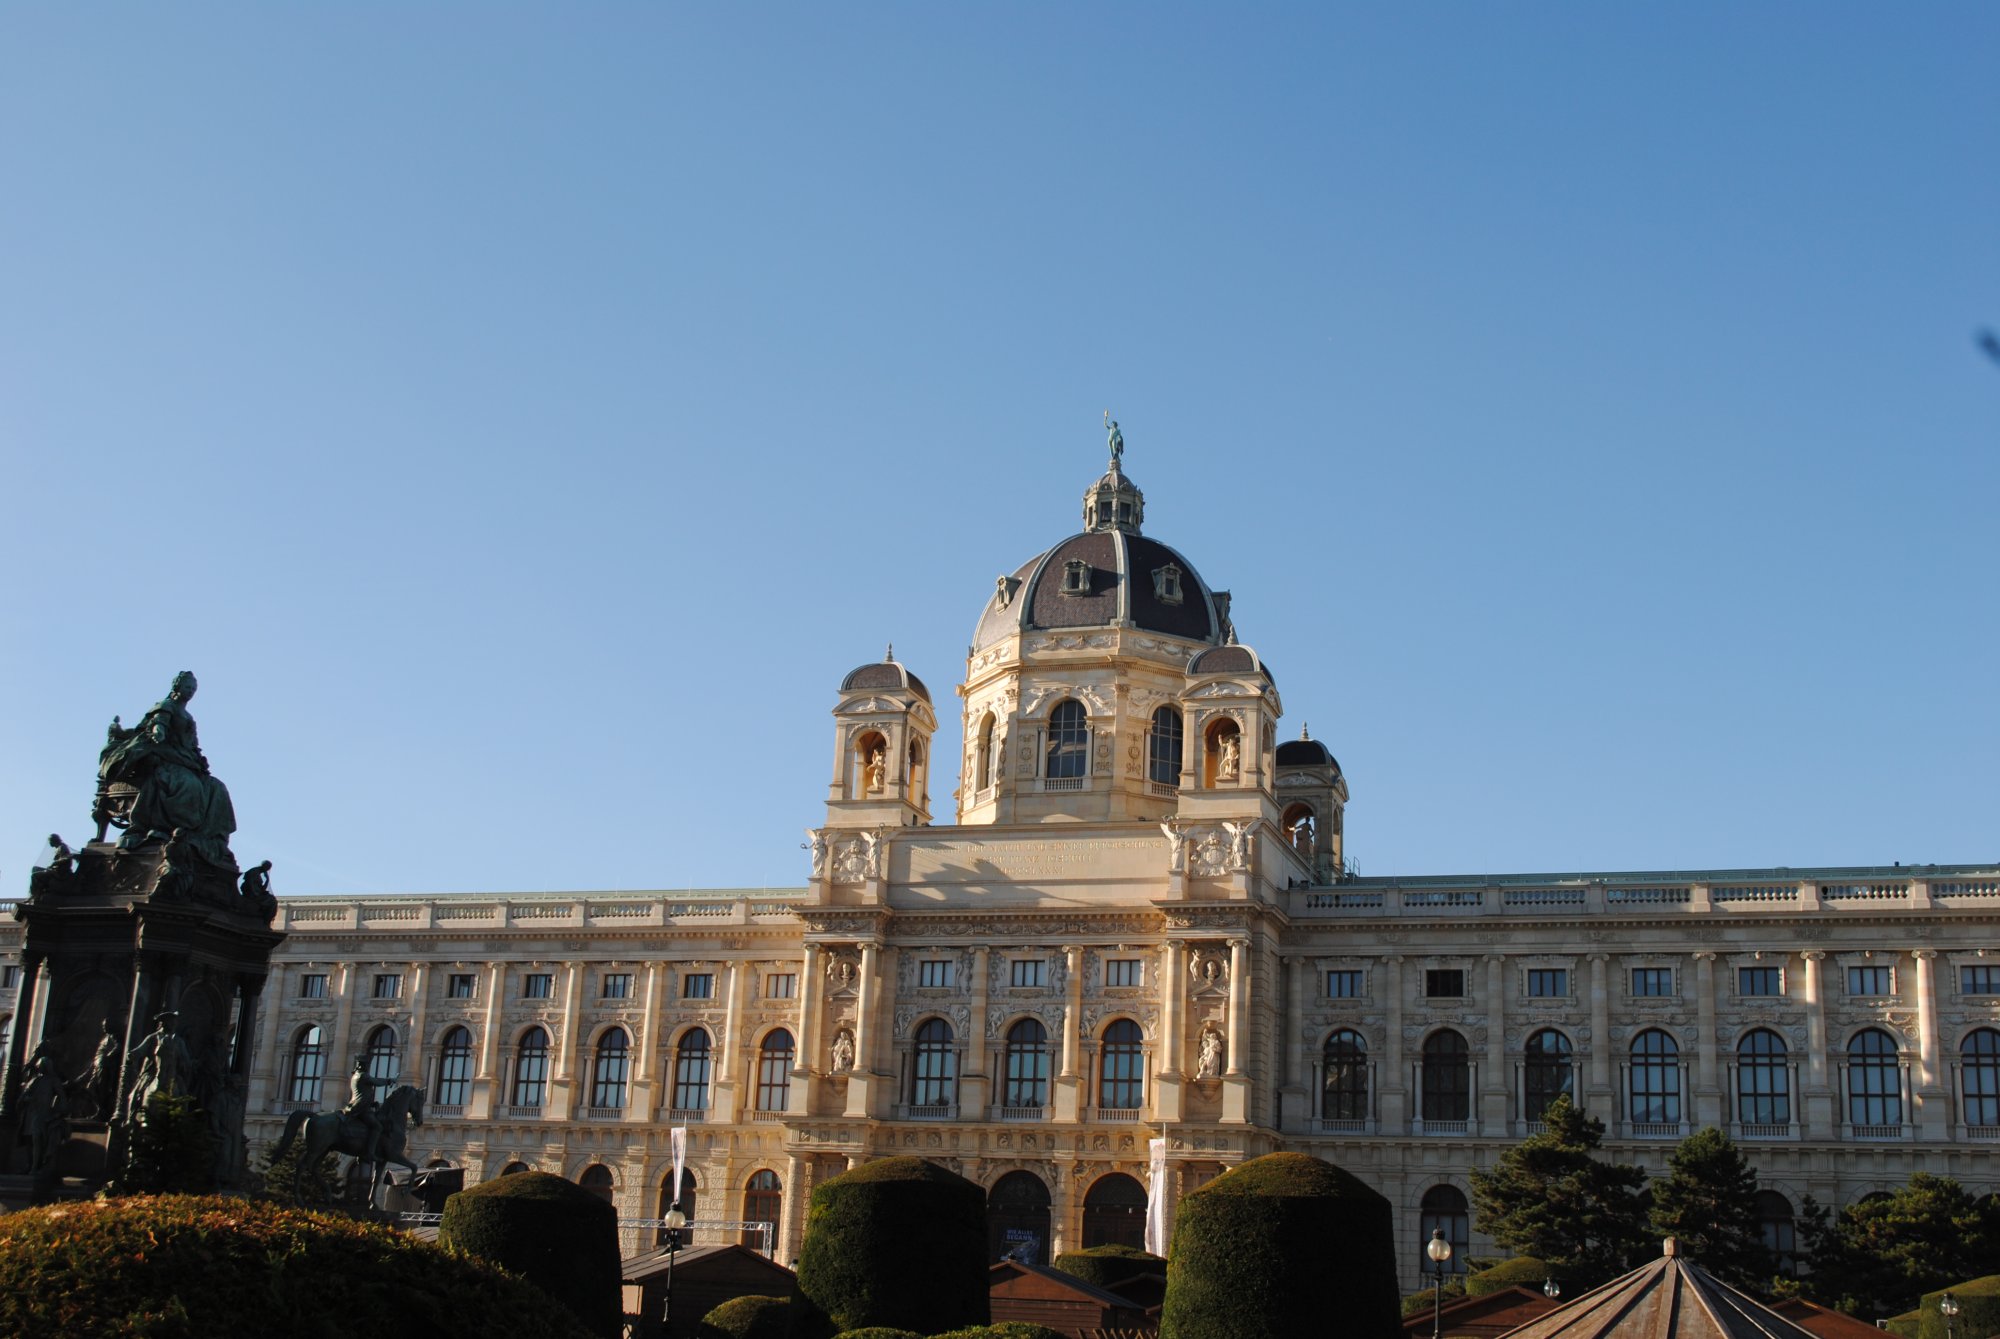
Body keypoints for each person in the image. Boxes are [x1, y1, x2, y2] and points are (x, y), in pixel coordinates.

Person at [96, 672, 236, 860]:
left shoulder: (188, 715)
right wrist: (158, 732)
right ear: (177, 687)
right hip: (165, 756)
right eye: (187, 687)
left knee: (216, 787)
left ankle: (210, 838)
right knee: (188, 784)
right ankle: (164, 829)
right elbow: (158, 724)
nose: (190, 692)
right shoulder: (166, 706)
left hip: (185, 759)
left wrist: (199, 759)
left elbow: (193, 745)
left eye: (193, 689)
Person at [343, 1055, 383, 1164]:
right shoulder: (362, 1076)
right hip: (360, 1108)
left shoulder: (356, 1075)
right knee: (377, 1127)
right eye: (366, 1065)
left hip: (359, 1105)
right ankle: (369, 1153)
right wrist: (390, 1080)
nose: (367, 1067)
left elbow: (363, 1093)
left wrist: (372, 1103)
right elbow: (377, 1082)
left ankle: (361, 1151)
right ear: (363, 1066)